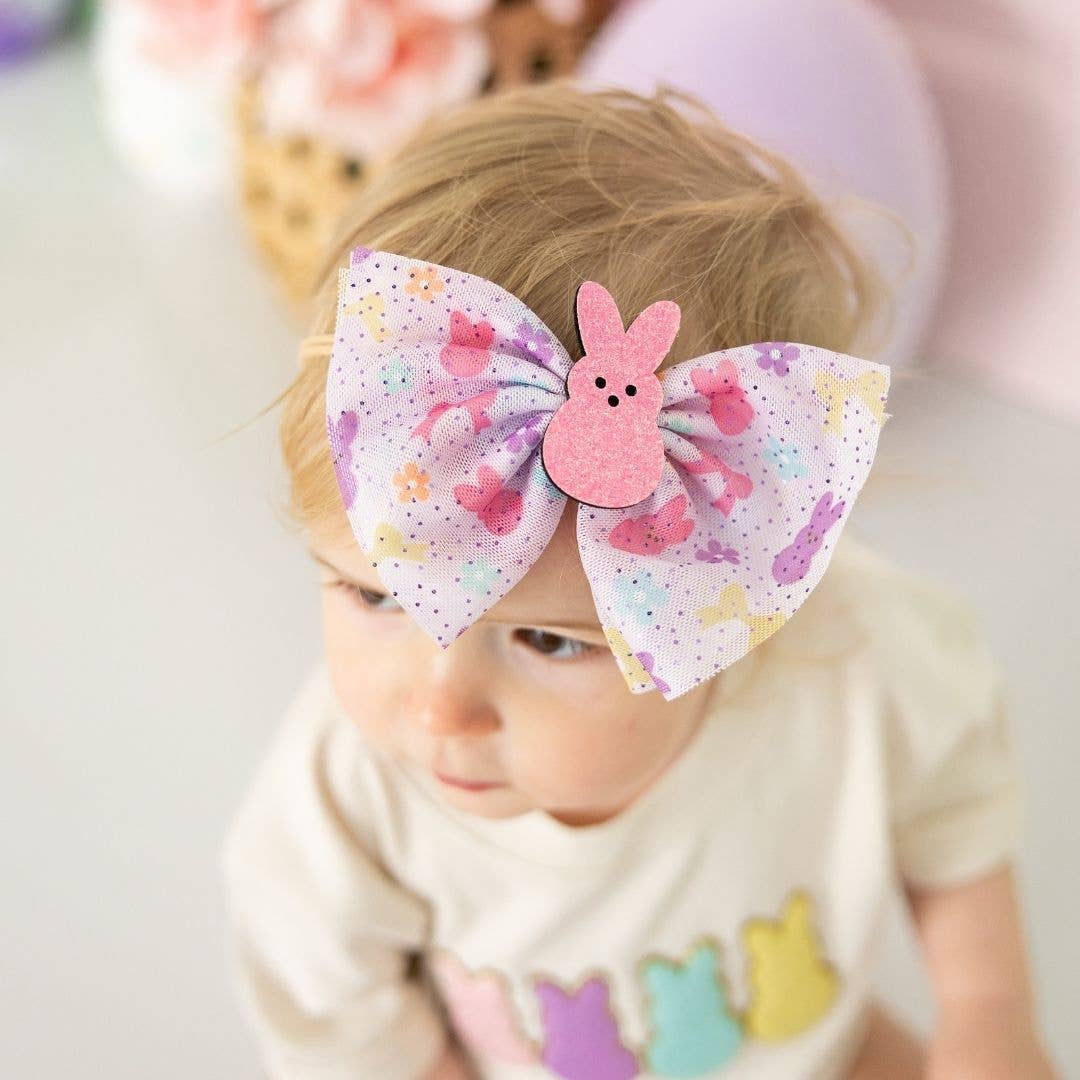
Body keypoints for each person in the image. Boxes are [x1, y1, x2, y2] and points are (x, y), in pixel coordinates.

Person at [221, 83, 1058, 1079]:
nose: (441, 705)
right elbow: (336, 1016)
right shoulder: (344, 792)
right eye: (377, 596)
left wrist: (986, 1014)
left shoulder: (856, 660)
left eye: (548, 640)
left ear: (739, 610)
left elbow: (951, 810)